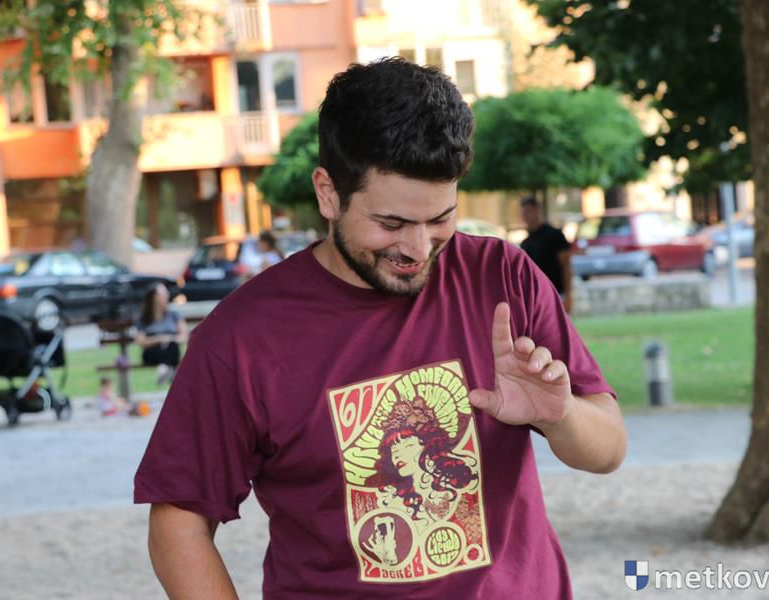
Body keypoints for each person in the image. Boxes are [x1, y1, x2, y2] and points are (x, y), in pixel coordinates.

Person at [135, 58, 625, 599]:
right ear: (328, 193)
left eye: (439, 219)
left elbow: (607, 449)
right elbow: (179, 521)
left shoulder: (502, 277)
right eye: (391, 223)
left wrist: (560, 415)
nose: (417, 249)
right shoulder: (242, 337)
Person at [519, 195, 574, 314]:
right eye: (523, 213)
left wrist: (568, 294)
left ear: (537, 210)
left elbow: (566, 266)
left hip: (556, 293)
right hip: (535, 297)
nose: (525, 216)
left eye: (528, 211)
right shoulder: (526, 243)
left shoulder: (555, 235)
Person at [133, 283, 187, 386]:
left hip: (171, 349)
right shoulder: (144, 318)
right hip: (152, 352)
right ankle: (167, 370)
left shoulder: (174, 315)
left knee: (171, 347)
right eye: (163, 294)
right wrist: (160, 339)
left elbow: (184, 336)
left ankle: (165, 369)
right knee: (164, 351)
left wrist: (170, 339)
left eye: (166, 293)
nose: (167, 296)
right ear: (154, 297)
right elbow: (140, 341)